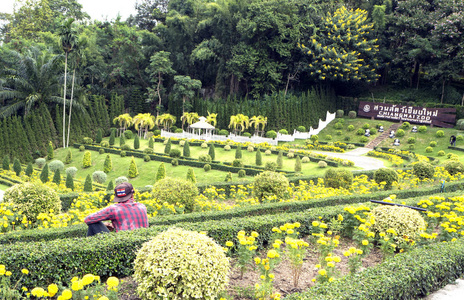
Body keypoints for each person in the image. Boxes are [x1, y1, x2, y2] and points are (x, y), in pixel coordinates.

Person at [84, 182, 148, 237]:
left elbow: (88, 219)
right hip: (142, 241)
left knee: (93, 223)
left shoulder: (114, 209)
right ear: (132, 195)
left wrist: (104, 225)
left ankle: (87, 248)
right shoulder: (142, 206)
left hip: (122, 243)